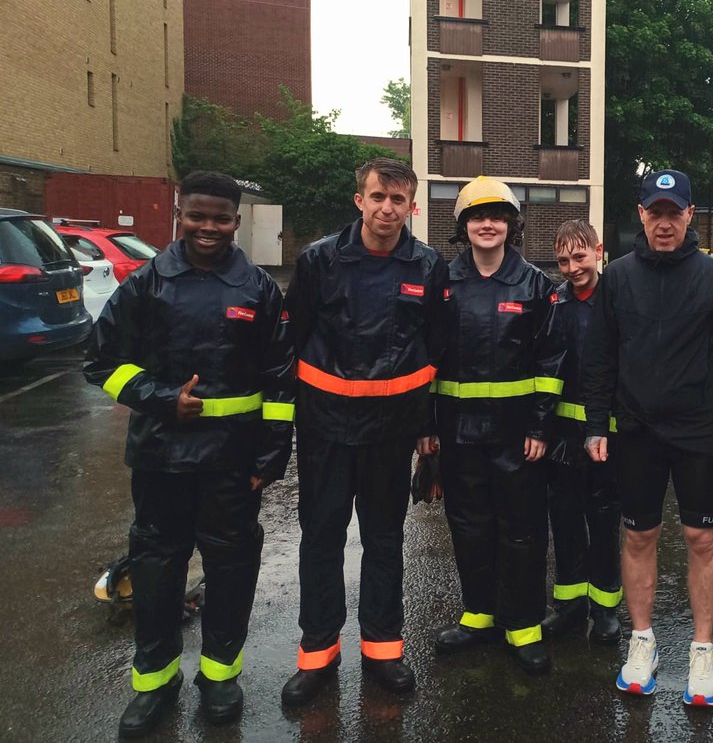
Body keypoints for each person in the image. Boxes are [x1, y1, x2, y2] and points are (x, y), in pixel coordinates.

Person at [85, 171, 294, 737]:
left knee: (231, 570)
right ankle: (155, 682)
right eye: (197, 216)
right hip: (160, 459)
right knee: (157, 571)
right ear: (180, 214)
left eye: (221, 218)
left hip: (232, 464)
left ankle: (219, 677)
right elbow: (100, 360)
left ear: (236, 220)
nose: (208, 227)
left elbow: (280, 380)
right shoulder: (147, 282)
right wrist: (158, 398)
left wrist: (270, 460)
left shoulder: (258, 288)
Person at [581, 169, 713, 707]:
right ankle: (643, 641)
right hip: (635, 432)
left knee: (702, 539)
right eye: (654, 212)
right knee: (639, 537)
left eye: (673, 212)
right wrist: (594, 423)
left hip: (699, 432)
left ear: (689, 215)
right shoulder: (618, 277)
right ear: (640, 215)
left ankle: (703, 649)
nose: (663, 222)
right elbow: (600, 356)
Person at [281, 158, 448, 706]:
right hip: (326, 430)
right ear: (359, 200)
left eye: (399, 200)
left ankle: (383, 649)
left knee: (384, 540)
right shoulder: (319, 261)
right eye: (378, 197)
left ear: (412, 206)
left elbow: (432, 351)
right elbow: (294, 341)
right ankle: (317, 654)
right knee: (322, 540)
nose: (387, 208)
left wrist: (426, 430)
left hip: (390, 433)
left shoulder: (427, 266)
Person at [431, 176, 565, 675]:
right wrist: (427, 429)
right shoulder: (442, 282)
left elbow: (552, 363)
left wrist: (539, 428)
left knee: (523, 531)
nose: (487, 224)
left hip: (517, 438)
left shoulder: (535, 285)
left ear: (512, 224)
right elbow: (429, 358)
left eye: (497, 216)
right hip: (459, 434)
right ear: (462, 226)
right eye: (477, 216)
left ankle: (523, 625)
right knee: (469, 527)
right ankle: (478, 615)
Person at [541, 219, 622, 645]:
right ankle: (570, 605)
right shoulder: (554, 301)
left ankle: (606, 609)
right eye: (563, 260)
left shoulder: (616, 299)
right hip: (561, 436)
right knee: (566, 520)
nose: (572, 267)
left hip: (606, 434)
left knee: (604, 521)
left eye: (579, 256)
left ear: (598, 249)